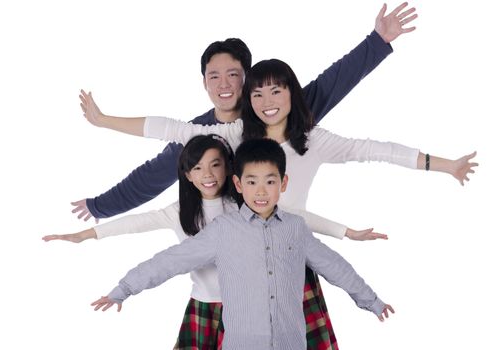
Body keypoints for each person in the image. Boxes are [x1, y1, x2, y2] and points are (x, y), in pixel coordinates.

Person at [75, 3, 417, 347]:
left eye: (234, 74)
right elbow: (153, 174)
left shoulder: (281, 111)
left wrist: (377, 41)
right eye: (214, 76)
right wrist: (100, 205)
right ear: (204, 83)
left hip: (285, 255)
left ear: (248, 77)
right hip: (227, 263)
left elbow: (331, 84)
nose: (224, 84)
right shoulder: (203, 138)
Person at [44, 135, 386, 349]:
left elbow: (334, 266)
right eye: (252, 181)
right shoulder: (221, 229)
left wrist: (370, 299)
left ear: (283, 183)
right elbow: (170, 260)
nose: (261, 190)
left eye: (269, 181)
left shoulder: (295, 228)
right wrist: (124, 288)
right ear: (238, 184)